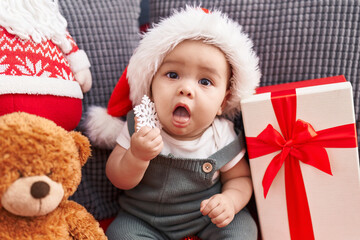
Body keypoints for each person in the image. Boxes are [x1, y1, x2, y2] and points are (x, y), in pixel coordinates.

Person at [90, 6, 261, 240]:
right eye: (172, 75)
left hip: (205, 219)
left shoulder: (222, 134)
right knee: (120, 233)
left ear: (224, 100)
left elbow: (240, 179)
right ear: (151, 86)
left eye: (205, 81)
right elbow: (117, 178)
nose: (186, 89)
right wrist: (136, 156)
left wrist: (229, 200)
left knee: (243, 229)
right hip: (144, 219)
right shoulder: (141, 124)